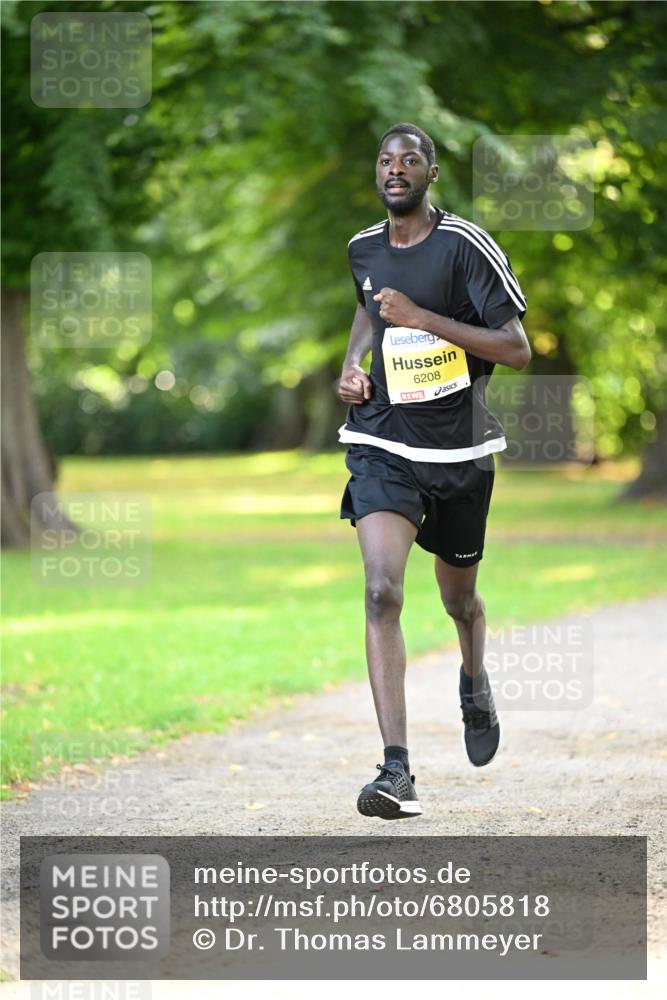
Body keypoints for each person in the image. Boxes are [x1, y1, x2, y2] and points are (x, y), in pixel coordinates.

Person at [337, 122, 530, 820]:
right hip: (382, 440)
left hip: (458, 451)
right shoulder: (363, 247)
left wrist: (423, 316)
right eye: (385, 159)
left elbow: (514, 349)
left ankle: (473, 680)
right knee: (380, 590)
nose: (395, 169)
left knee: (459, 602)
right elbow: (366, 310)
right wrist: (351, 368)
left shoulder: (464, 246)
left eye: (408, 159)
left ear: (431, 173)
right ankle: (396, 771)